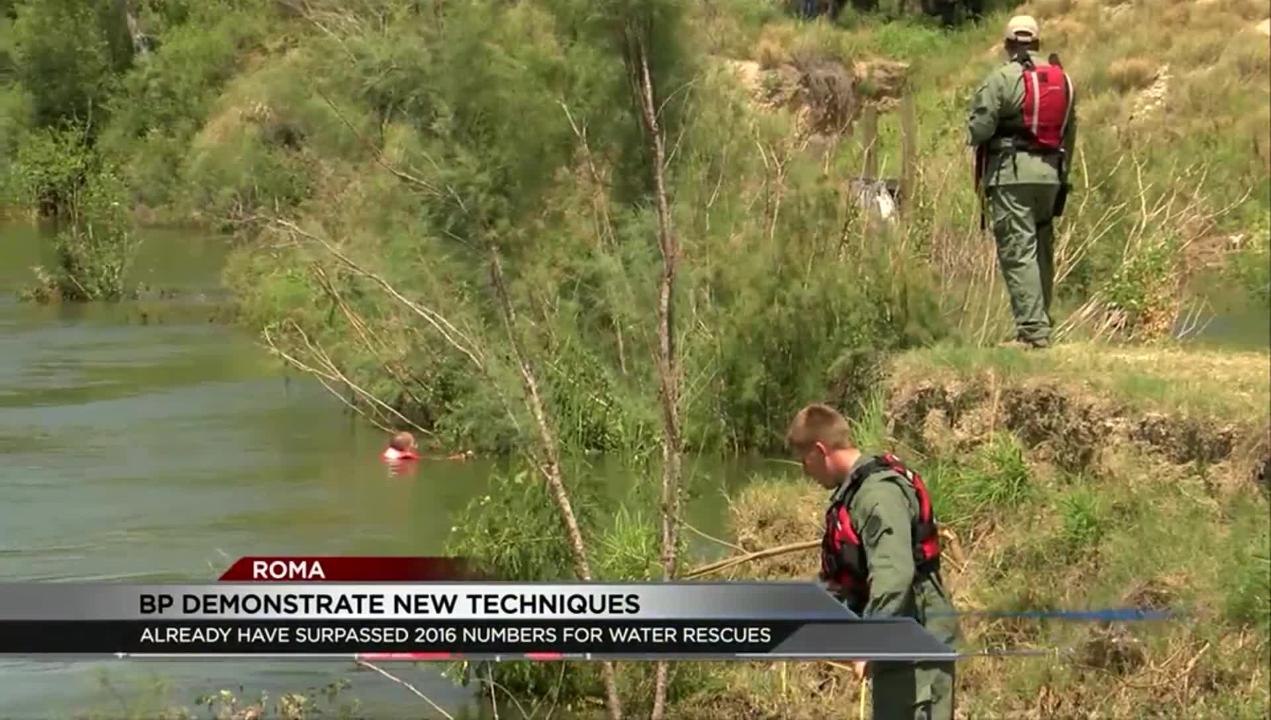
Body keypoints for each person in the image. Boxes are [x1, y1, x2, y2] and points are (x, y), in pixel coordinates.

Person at [787, 403, 959, 720]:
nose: (804, 472)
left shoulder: (878, 495)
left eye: (804, 461)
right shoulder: (857, 491)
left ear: (821, 450)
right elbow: (850, 571)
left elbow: (895, 575)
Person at [967, 15, 1077, 350]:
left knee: (1019, 250)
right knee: (1042, 247)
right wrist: (1061, 174)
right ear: (1038, 43)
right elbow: (1069, 132)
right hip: (1051, 176)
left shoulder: (1001, 79)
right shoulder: (1063, 80)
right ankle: (1041, 321)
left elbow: (979, 131)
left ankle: (1032, 332)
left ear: (1007, 44)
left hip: (1012, 176)